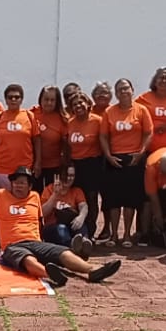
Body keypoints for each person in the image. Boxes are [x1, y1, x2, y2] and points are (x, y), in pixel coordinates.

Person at [0, 169, 122, 288]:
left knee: (63, 252)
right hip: (12, 245)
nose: (18, 186)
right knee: (28, 259)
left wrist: (55, 195)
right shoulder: (0, 195)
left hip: (35, 241)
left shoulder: (35, 196)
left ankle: (92, 270)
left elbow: (41, 218)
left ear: (30, 186)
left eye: (22, 183)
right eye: (15, 182)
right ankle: (50, 275)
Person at [99, 79, 153, 246]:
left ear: (132, 90)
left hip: (134, 160)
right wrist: (108, 155)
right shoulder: (109, 112)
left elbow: (148, 133)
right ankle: (114, 235)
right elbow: (103, 136)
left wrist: (141, 153)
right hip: (114, 160)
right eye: (119, 89)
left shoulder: (141, 110)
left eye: (126, 88)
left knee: (130, 200)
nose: (123, 92)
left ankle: (127, 235)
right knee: (114, 201)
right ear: (115, 93)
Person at [66, 93, 104, 238]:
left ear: (88, 104)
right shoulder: (69, 123)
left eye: (81, 102)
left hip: (92, 165)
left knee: (91, 199)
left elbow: (105, 142)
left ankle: (90, 232)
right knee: (76, 199)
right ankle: (78, 232)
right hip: (75, 165)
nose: (78, 106)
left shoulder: (97, 121)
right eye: (74, 104)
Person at [0, 84, 36, 191]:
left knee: (22, 197)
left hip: (24, 167)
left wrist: (38, 163)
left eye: (17, 97)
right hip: (3, 168)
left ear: (21, 99)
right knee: (4, 197)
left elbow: (36, 140)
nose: (13, 100)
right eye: (10, 97)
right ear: (6, 99)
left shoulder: (29, 116)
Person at [40, 166, 90, 255]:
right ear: (58, 176)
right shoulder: (49, 189)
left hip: (70, 225)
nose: (68, 178)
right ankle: (73, 248)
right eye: (65, 175)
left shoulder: (76, 191)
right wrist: (55, 194)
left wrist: (81, 217)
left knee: (80, 225)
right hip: (53, 227)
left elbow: (83, 206)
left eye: (71, 175)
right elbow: (43, 213)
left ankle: (84, 243)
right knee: (62, 228)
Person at [31, 85, 67, 187]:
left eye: (52, 100)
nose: (49, 103)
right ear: (40, 99)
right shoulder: (32, 114)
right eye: (46, 99)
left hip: (54, 166)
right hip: (33, 164)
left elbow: (66, 145)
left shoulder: (62, 119)